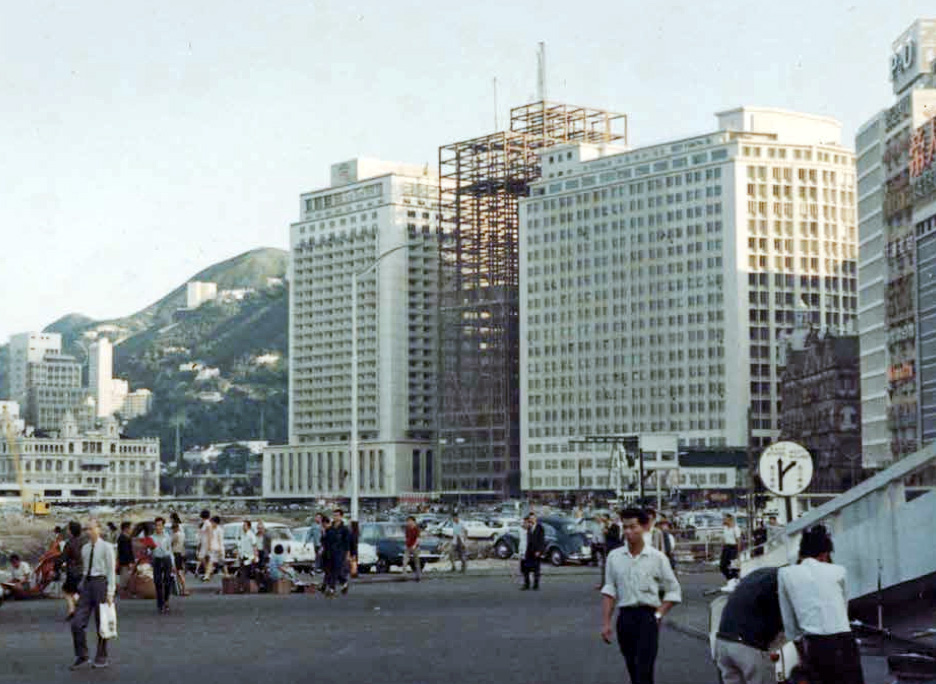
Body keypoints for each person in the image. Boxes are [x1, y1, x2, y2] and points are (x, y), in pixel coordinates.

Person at [600, 507, 682, 684]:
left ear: (645, 527)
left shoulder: (657, 558)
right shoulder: (614, 557)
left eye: (633, 527)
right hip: (625, 618)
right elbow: (609, 590)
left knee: (644, 668)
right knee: (633, 668)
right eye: (625, 527)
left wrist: (659, 613)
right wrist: (606, 623)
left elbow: (674, 591)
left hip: (648, 616)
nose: (628, 532)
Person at [778, 525, 864, 684]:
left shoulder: (785, 574)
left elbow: (789, 620)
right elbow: (843, 609)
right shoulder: (839, 571)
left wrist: (800, 651)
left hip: (817, 645)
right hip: (846, 643)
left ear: (801, 553)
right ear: (825, 554)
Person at [714, 567, 784, 684]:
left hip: (723, 641)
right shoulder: (783, 581)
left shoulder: (758, 574)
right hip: (748, 646)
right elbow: (782, 620)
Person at [69, 519, 116, 670]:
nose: (88, 532)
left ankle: (102, 657)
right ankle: (82, 655)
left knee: (102, 622)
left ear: (99, 529)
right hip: (87, 585)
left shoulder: (107, 547)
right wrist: (80, 588)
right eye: (86, 529)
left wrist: (110, 592)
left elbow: (110, 571)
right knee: (77, 622)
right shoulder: (85, 548)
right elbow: (84, 571)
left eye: (91, 528)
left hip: (101, 583)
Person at [322, 509, 351, 596]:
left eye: (337, 515)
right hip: (329, 552)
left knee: (335, 570)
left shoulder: (344, 529)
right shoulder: (330, 528)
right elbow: (325, 540)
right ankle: (344, 582)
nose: (335, 517)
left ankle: (332, 588)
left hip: (340, 552)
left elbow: (347, 542)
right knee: (331, 570)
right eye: (334, 515)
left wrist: (348, 554)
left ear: (341, 516)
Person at [150, 517, 175, 614]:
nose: (158, 527)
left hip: (166, 559)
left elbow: (170, 550)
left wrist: (173, 564)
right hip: (156, 559)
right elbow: (149, 551)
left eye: (160, 525)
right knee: (157, 582)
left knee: (168, 581)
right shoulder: (152, 537)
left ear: (163, 526)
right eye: (156, 525)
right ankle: (160, 604)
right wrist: (150, 549)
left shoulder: (167, 536)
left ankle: (166, 600)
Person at [62, 521, 83, 619]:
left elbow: (63, 557)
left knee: (66, 590)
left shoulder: (69, 543)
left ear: (71, 531)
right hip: (82, 570)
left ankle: (73, 609)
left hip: (72, 570)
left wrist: (56, 568)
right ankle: (74, 608)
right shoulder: (84, 542)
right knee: (75, 590)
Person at [522, 511, 545, 591]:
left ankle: (536, 585)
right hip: (528, 551)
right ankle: (526, 584)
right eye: (530, 518)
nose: (532, 519)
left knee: (536, 569)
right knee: (526, 569)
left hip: (536, 551)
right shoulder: (529, 527)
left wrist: (540, 550)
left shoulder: (540, 528)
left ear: (536, 519)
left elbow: (542, 540)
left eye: (533, 518)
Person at [116, 521, 135, 599]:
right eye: (130, 528)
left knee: (126, 577)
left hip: (124, 561)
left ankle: (125, 594)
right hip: (125, 562)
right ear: (126, 529)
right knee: (124, 578)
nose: (131, 530)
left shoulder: (124, 537)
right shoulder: (123, 538)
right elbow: (126, 552)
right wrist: (130, 562)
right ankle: (123, 594)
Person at [170, 515, 187, 596]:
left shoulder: (175, 535)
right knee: (180, 572)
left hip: (176, 554)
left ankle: (182, 589)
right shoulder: (182, 534)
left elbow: (170, 543)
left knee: (178, 572)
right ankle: (182, 589)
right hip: (181, 553)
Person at [720, 514, 741, 581]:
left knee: (734, 566)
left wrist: (738, 552)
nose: (724, 520)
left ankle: (735, 579)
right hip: (726, 547)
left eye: (725, 519)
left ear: (729, 519)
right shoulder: (725, 528)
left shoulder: (736, 528)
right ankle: (730, 578)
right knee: (722, 566)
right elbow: (724, 539)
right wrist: (722, 548)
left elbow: (739, 541)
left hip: (733, 547)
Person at [402, 516, 421, 582]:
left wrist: (414, 545)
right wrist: (405, 544)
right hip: (408, 546)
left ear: (413, 521)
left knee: (416, 561)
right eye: (408, 521)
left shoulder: (416, 528)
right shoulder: (407, 528)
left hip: (415, 547)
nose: (408, 522)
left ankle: (418, 576)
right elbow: (406, 537)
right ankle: (404, 575)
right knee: (405, 561)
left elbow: (418, 538)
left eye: (410, 521)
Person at [197, 509, 213, 580]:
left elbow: (210, 534)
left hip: (206, 544)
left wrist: (209, 545)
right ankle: (208, 573)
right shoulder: (205, 523)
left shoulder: (207, 523)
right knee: (202, 558)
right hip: (204, 543)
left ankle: (208, 573)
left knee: (203, 558)